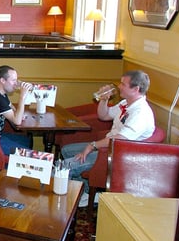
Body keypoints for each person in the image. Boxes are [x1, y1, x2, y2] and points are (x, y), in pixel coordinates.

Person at [61, 70, 155, 206]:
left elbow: (118, 139)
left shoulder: (141, 113)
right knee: (67, 150)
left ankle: (65, 202)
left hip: (117, 154)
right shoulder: (126, 104)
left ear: (136, 89)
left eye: (123, 84)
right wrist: (104, 100)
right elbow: (104, 116)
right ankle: (87, 191)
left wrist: (92, 145)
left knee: (64, 167)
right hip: (108, 146)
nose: (119, 86)